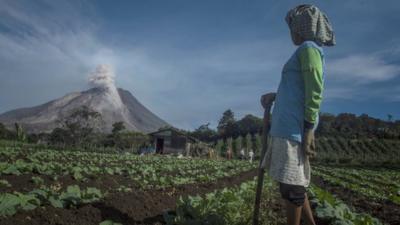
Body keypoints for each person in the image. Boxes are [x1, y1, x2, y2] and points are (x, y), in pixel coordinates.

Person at [261, 4, 335, 225]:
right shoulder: (307, 51)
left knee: (292, 188)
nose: (291, 34)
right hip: (288, 127)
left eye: (292, 29)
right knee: (294, 184)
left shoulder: (308, 49)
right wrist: (275, 96)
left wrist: (309, 128)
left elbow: (315, 90)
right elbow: (298, 88)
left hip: (292, 129)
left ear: (302, 29)